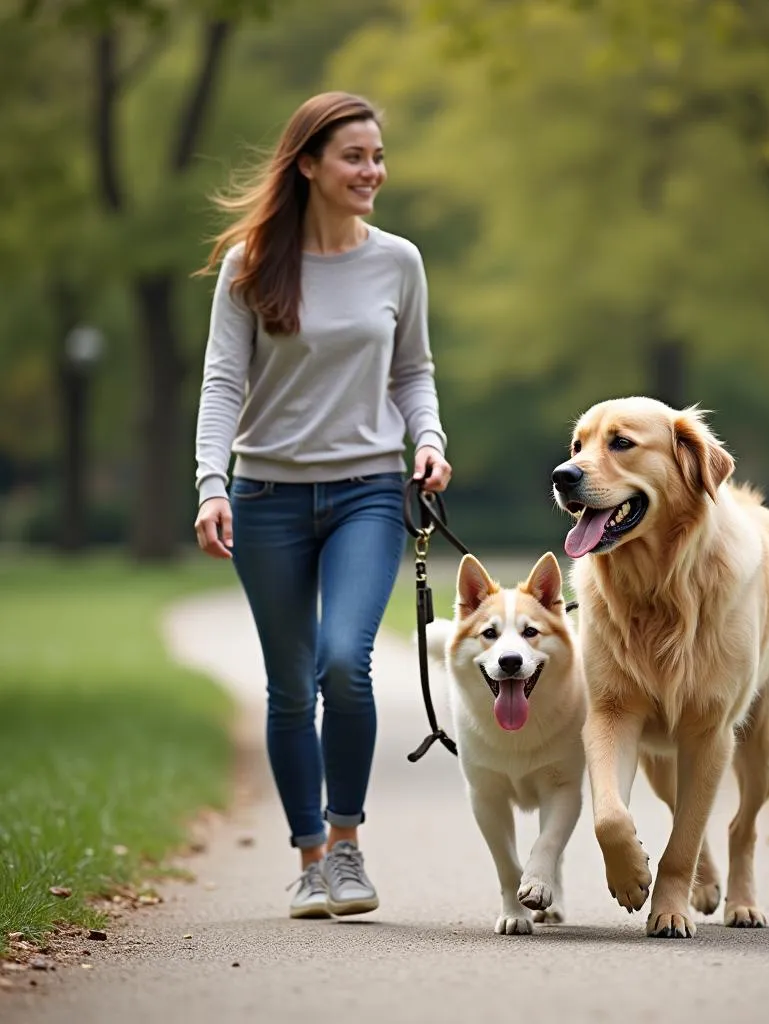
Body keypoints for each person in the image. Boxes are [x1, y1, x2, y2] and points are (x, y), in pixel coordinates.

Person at [192, 91, 452, 920]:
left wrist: (429, 439)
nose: (372, 171)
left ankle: (347, 847)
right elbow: (223, 382)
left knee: (346, 658)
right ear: (308, 163)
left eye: (378, 156)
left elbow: (413, 370)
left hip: (368, 492)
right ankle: (309, 858)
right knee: (287, 685)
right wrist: (208, 483)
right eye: (354, 157)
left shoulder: (398, 261)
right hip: (264, 494)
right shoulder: (250, 263)